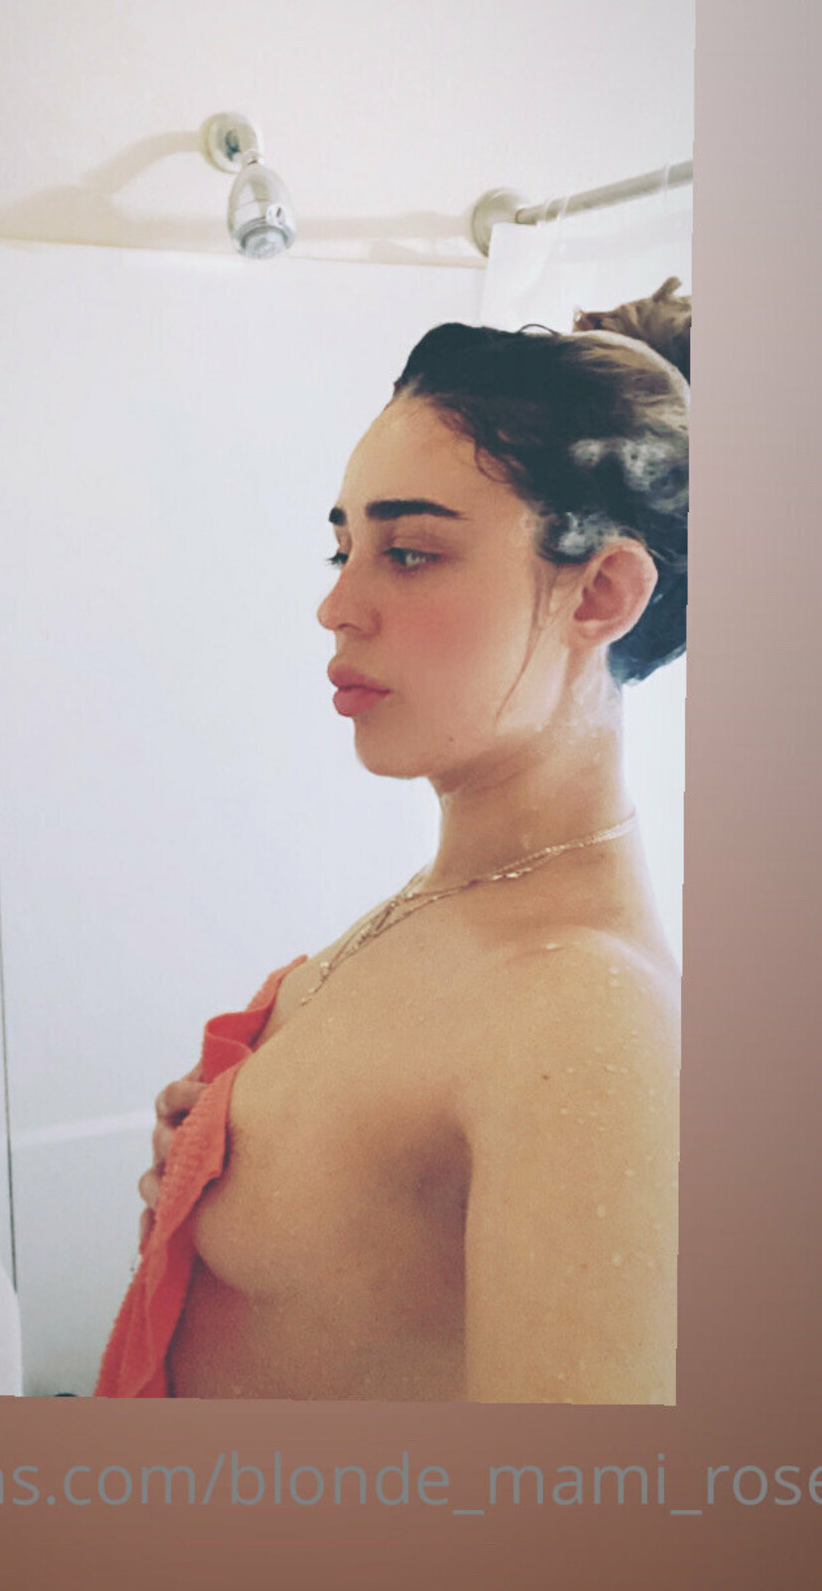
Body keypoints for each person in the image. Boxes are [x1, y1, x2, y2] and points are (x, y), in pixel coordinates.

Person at [96, 280, 688, 1403]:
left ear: (601, 592)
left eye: (408, 552)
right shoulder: (457, 896)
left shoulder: (588, 1018)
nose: (338, 607)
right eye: (343, 552)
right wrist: (227, 1148)